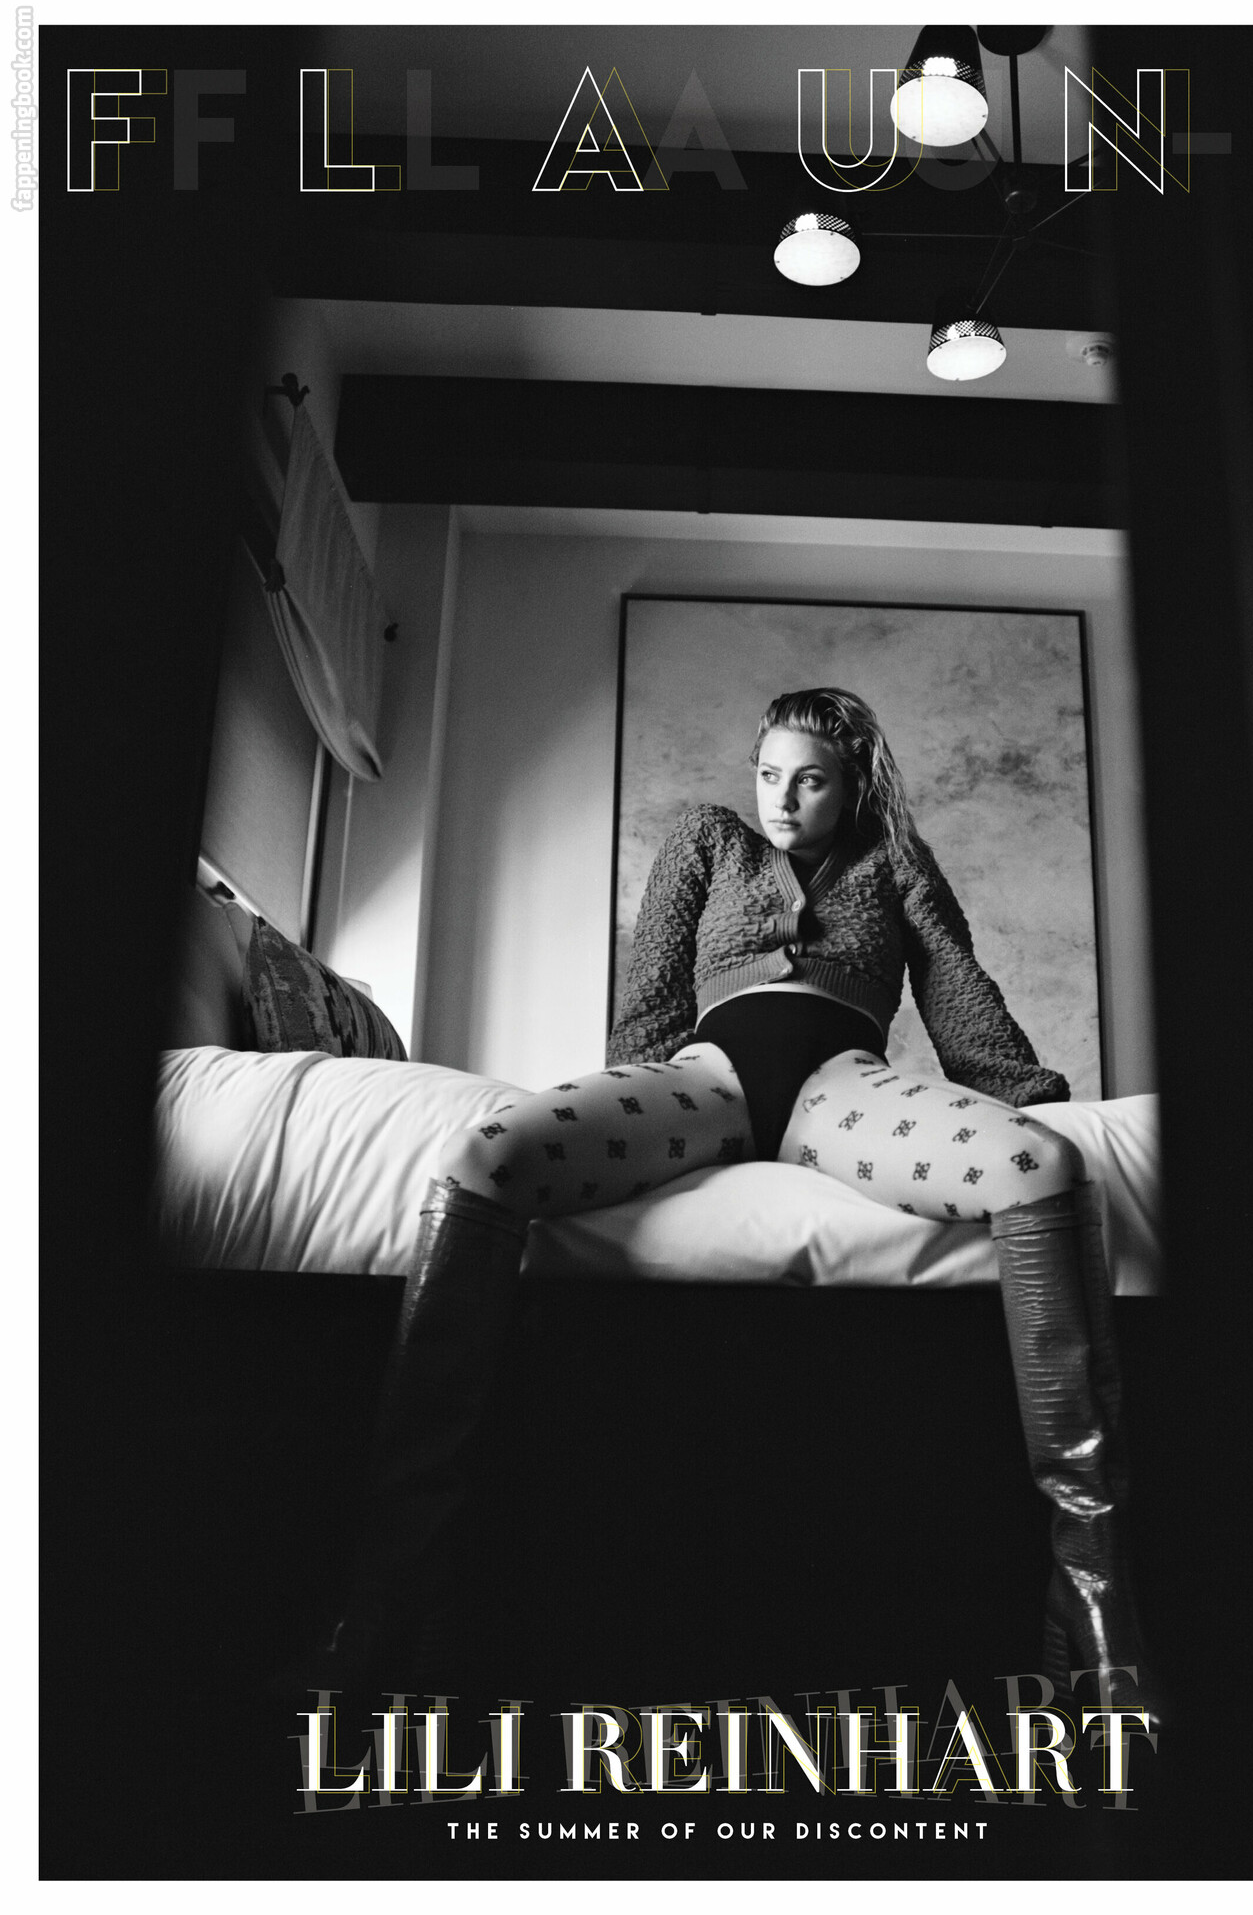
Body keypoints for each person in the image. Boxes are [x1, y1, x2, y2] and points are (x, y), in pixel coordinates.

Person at [316, 687, 1156, 1721]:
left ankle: (1092, 1595)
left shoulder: (894, 860)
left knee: (1043, 1165)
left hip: (838, 1089)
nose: (782, 799)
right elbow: (650, 997)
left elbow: (956, 989)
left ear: (853, 787)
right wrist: (621, 1108)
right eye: (769, 775)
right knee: (481, 1156)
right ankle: (390, 1593)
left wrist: (1030, 1095)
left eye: (810, 781)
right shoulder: (707, 841)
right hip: (704, 1080)